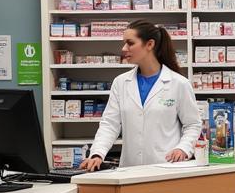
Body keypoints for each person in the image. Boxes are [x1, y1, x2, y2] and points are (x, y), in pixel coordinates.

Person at [80, 19, 202, 170]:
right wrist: (97, 153)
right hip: (130, 169)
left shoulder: (179, 83)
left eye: (130, 43)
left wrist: (183, 148)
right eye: (124, 43)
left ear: (149, 44)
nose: (124, 48)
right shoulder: (121, 82)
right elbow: (109, 125)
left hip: (167, 167)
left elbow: (193, 124)